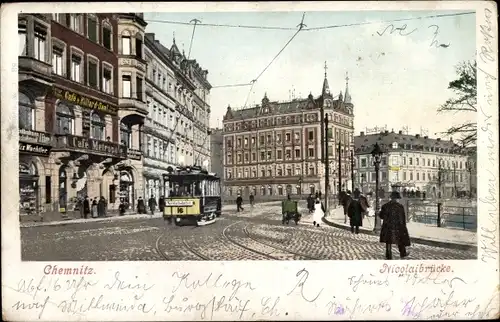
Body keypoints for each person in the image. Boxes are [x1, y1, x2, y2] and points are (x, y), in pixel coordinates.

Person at [379, 191, 411, 260]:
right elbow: (402, 218)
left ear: (391, 198)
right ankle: (403, 254)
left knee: (388, 241)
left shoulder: (385, 206)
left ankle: (388, 256)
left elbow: (382, 216)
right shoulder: (400, 207)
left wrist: (379, 213)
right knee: (400, 240)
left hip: (388, 226)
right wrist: (404, 227)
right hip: (398, 226)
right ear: (397, 199)